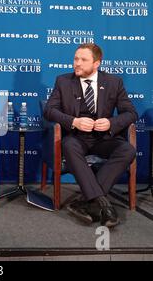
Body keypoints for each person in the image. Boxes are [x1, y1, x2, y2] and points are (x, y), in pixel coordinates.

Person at [44, 43, 137, 227]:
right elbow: (49, 111)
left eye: (83, 60)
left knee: (127, 150)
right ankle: (102, 203)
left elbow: (131, 113)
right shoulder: (63, 81)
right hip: (77, 137)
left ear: (96, 64)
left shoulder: (113, 82)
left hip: (104, 138)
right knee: (69, 145)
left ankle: (86, 202)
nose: (77, 63)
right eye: (75, 59)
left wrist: (111, 123)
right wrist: (74, 121)